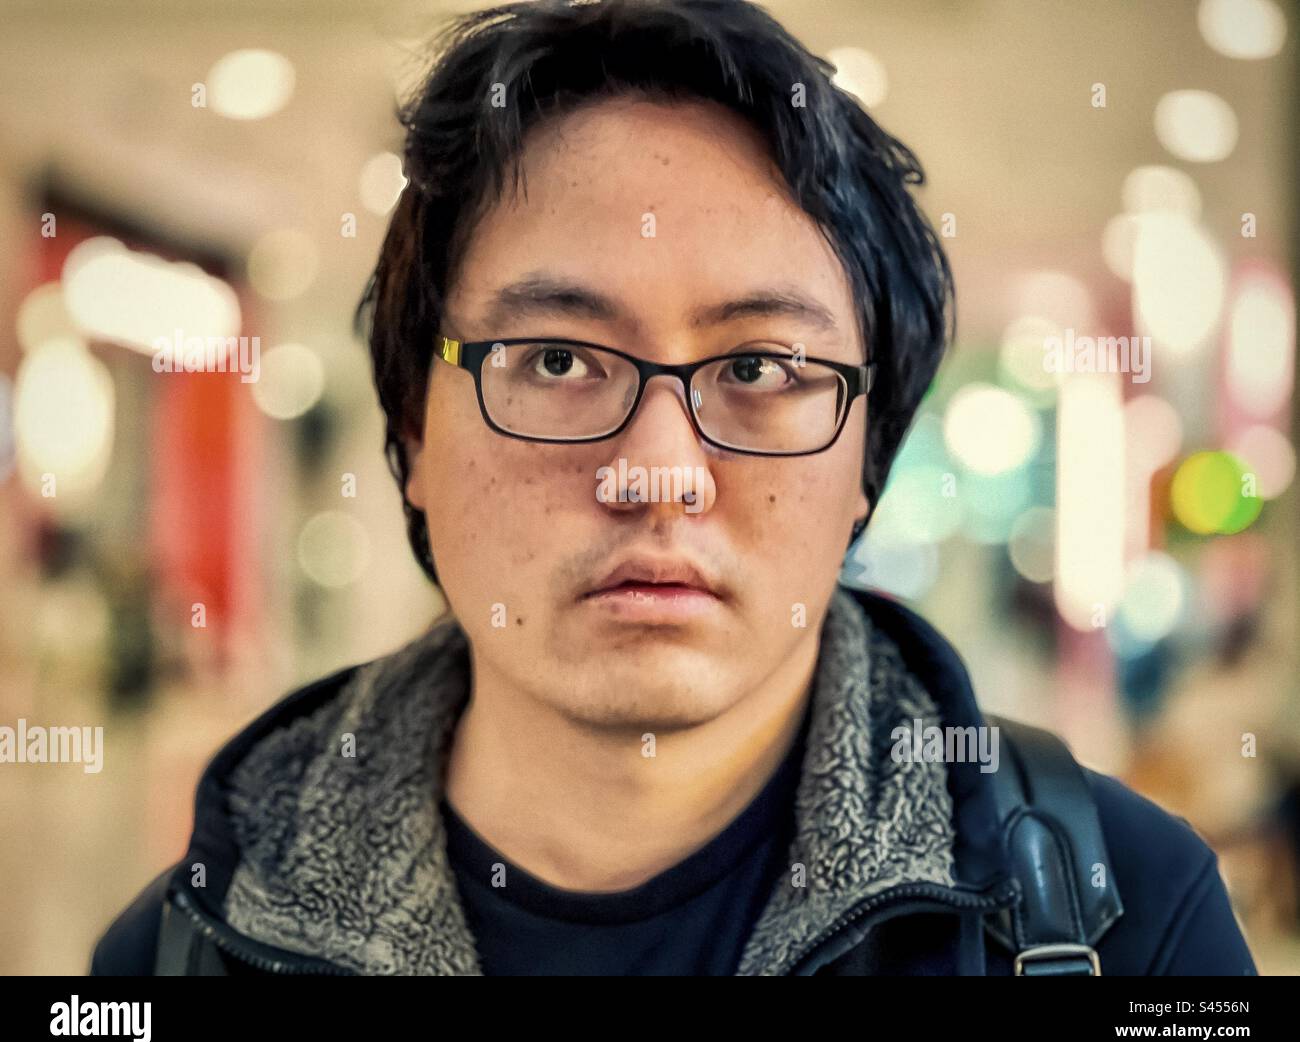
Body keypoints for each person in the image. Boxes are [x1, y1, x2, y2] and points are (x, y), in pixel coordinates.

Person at [89, 0, 1256, 976]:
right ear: (413, 421)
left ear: (867, 455)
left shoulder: (1121, 916)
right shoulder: (187, 950)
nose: (656, 472)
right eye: (554, 361)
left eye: (757, 369)